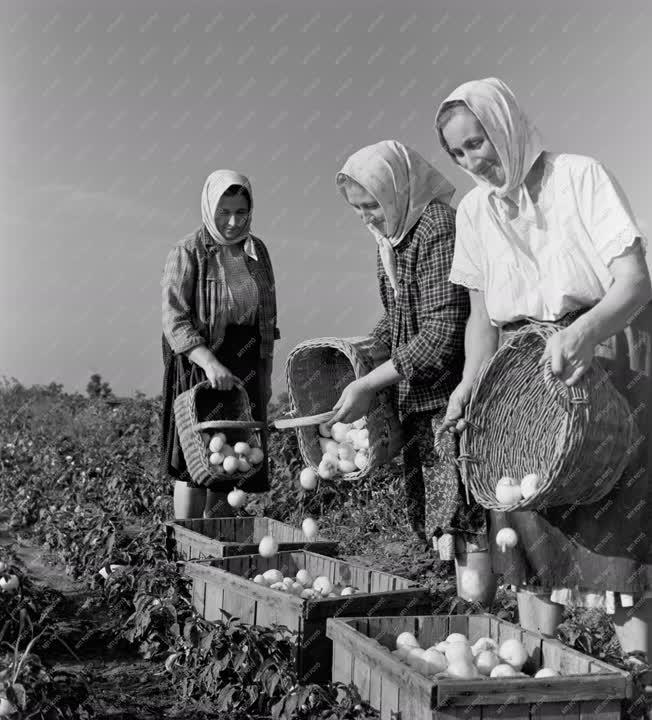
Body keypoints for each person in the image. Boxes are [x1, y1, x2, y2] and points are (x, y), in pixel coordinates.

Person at [435, 77, 652, 659]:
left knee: (614, 522)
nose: (471, 161)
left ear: (505, 125)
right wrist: (469, 385)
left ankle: (637, 671)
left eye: (478, 142)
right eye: (457, 153)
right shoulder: (474, 210)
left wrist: (583, 333)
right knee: (531, 515)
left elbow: (634, 283)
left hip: (602, 356)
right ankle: (535, 660)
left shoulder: (580, 178)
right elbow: (482, 318)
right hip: (522, 373)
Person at [328, 140, 485, 548]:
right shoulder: (392, 239)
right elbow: (400, 315)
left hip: (449, 397)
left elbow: (441, 333)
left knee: (463, 520)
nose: (367, 218)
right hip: (418, 399)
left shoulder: (436, 228)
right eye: (358, 209)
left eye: (372, 205)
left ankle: (474, 603)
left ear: (396, 189)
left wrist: (368, 384)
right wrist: (363, 353)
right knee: (435, 519)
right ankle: (452, 600)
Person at [160, 170, 279, 519]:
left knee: (233, 459)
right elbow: (174, 320)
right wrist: (210, 363)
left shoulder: (258, 253)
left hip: (245, 361)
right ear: (208, 208)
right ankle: (185, 546)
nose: (232, 222)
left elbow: (267, 320)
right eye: (223, 212)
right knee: (195, 461)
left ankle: (215, 547)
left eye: (241, 212)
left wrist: (266, 374)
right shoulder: (188, 252)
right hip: (200, 362)